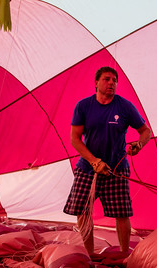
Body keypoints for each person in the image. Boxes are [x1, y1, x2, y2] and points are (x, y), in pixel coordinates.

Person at [63, 66, 151, 255]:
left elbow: (145, 131)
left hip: (116, 169)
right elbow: (74, 139)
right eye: (106, 79)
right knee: (83, 211)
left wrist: (139, 144)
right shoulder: (83, 106)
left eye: (114, 80)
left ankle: (124, 254)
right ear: (96, 83)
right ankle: (90, 254)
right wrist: (94, 161)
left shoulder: (125, 106)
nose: (111, 83)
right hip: (87, 168)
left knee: (122, 212)